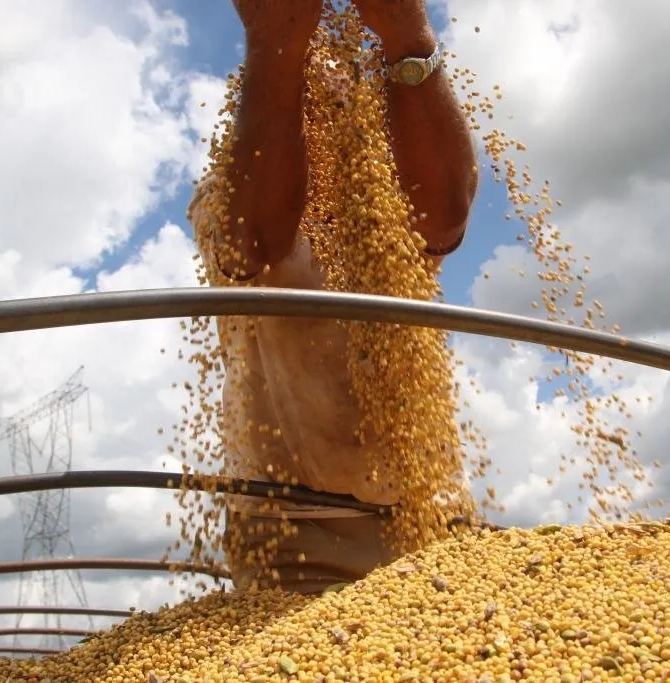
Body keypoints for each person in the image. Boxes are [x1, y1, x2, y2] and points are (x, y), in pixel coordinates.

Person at [187, 0, 479, 594]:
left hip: (432, 508)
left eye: (351, 93)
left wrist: (408, 37)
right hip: (295, 526)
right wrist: (276, 44)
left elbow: (446, 216)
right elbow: (254, 241)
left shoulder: (388, 201)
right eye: (307, 85)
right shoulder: (228, 190)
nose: (335, 94)